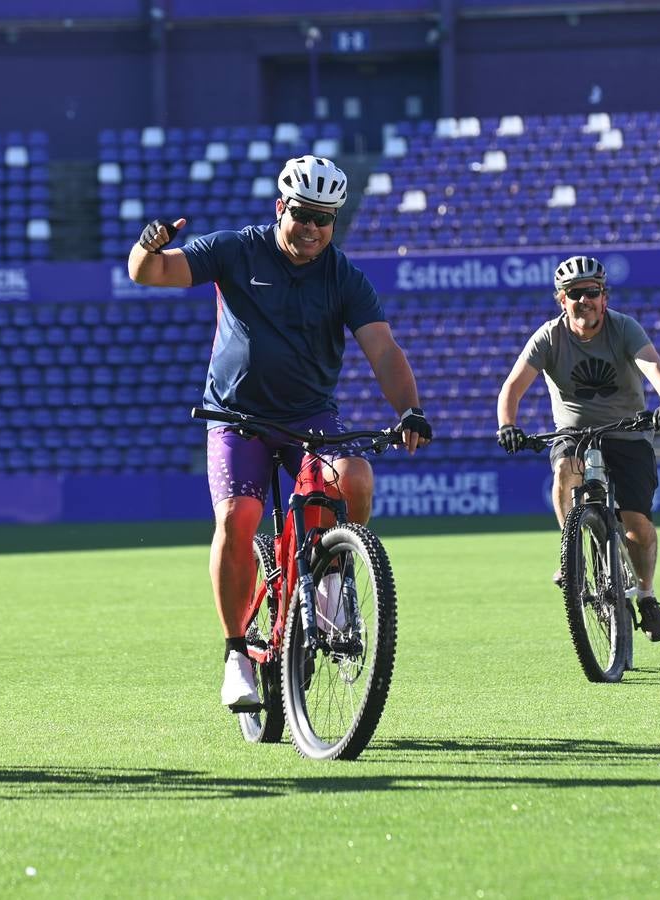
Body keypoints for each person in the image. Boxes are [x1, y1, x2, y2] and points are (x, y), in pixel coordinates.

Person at [126, 154, 432, 711]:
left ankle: (333, 582)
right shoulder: (236, 249)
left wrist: (409, 409)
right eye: (300, 213)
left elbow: (383, 351)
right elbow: (149, 273)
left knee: (356, 478)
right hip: (235, 416)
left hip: (309, 417)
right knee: (238, 516)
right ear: (279, 208)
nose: (311, 227)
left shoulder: (344, 277)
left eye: (323, 217)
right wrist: (146, 245)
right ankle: (236, 654)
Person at [495, 255, 660, 642]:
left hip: (628, 431)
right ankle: (572, 552)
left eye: (592, 292)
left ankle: (646, 595)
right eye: (575, 294)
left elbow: (654, 368)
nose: (585, 301)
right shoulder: (548, 337)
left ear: (605, 297)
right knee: (566, 469)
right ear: (562, 300)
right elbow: (512, 388)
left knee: (638, 526)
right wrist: (508, 426)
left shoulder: (624, 328)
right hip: (575, 431)